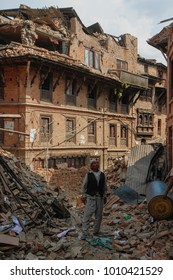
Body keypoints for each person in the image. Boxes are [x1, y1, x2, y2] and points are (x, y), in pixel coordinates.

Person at [80, 159, 107, 240]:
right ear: (91, 166)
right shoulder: (88, 175)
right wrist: (84, 196)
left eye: (97, 163)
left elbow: (104, 186)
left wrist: (105, 195)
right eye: (94, 163)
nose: (96, 164)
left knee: (99, 216)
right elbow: (84, 186)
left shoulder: (102, 174)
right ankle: (85, 233)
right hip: (91, 198)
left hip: (100, 198)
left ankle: (96, 231)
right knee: (87, 216)